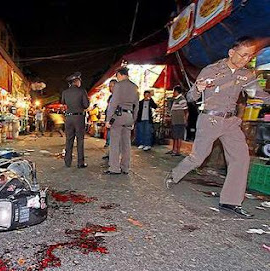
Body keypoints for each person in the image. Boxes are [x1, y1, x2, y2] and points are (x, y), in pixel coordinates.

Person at [165, 37, 270, 217]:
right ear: (231, 53)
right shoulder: (211, 70)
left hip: (230, 122)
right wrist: (198, 88)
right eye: (243, 55)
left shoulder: (246, 74)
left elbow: (257, 94)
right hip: (210, 120)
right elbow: (191, 97)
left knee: (241, 159)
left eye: (249, 56)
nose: (246, 59)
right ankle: (173, 175)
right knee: (198, 158)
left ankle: (230, 201)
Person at [104, 67, 139, 175]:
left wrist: (108, 119)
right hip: (129, 116)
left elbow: (113, 103)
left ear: (119, 74)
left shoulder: (119, 85)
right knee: (126, 143)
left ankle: (114, 168)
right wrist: (133, 120)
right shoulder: (135, 87)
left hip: (119, 116)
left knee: (115, 143)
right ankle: (125, 167)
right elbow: (136, 105)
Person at [60, 71, 89, 168]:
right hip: (79, 117)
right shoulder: (82, 91)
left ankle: (67, 162)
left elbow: (63, 102)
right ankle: (80, 163)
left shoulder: (65, 92)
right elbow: (86, 105)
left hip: (68, 117)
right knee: (80, 140)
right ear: (77, 81)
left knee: (69, 140)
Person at [166, 86, 188, 156]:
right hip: (175, 121)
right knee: (174, 136)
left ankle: (178, 151)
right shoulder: (176, 99)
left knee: (178, 136)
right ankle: (174, 149)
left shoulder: (182, 99)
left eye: (174, 92)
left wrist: (185, 120)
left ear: (176, 92)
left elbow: (186, 111)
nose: (173, 93)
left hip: (179, 121)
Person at [104, 79, 117, 148]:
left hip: (115, 119)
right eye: (109, 86)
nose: (110, 88)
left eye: (111, 86)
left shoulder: (118, 96)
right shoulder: (111, 96)